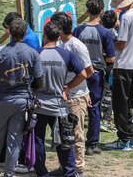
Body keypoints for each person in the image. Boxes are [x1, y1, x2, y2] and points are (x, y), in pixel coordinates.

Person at [0, 18, 43, 177]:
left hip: (1, 99)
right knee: (14, 141)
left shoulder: (0, 51)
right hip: (22, 101)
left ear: (9, 32)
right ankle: (8, 174)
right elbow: (39, 82)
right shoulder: (33, 53)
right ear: (25, 33)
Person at [34, 22, 86, 177]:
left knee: (38, 142)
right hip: (59, 107)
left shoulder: (36, 54)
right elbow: (83, 74)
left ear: (44, 36)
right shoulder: (66, 55)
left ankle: (41, 173)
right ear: (58, 37)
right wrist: (68, 86)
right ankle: (69, 172)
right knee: (64, 142)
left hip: (39, 106)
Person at [52, 12, 93, 177]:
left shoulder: (76, 46)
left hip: (75, 98)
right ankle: (66, 167)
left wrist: (70, 86)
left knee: (76, 134)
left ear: (60, 29)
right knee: (63, 135)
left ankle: (78, 169)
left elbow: (89, 71)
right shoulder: (62, 44)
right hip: (66, 97)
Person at [72, 0, 115, 155]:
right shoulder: (105, 32)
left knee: (77, 106)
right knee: (94, 108)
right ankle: (91, 144)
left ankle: (75, 139)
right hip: (96, 73)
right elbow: (110, 58)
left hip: (80, 73)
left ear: (87, 11)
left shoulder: (77, 30)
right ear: (101, 12)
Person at [105, 0, 133, 151]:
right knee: (129, 102)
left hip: (123, 65)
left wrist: (109, 45)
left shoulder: (126, 17)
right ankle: (131, 136)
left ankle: (124, 139)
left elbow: (121, 44)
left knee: (120, 104)